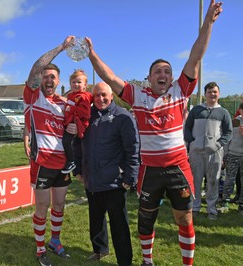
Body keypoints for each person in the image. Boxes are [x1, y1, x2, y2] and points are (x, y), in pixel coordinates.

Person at [85, 1, 223, 265]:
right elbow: (111, 76)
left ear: (172, 78)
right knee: (146, 220)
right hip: (149, 171)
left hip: (178, 169)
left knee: (184, 219)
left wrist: (208, 24)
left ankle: (187, 263)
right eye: (158, 71)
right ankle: (147, 261)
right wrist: (92, 54)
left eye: (167, 71)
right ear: (149, 78)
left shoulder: (180, 91)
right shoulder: (137, 95)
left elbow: (195, 55)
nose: (164, 74)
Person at [73, 82, 139, 265]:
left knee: (119, 224)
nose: (100, 99)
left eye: (104, 95)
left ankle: (124, 260)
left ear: (111, 96)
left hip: (114, 181)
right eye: (96, 96)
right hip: (92, 179)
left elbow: (132, 149)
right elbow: (78, 144)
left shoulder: (123, 117)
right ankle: (99, 249)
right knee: (95, 218)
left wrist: (130, 177)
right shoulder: (87, 116)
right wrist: (78, 169)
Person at [23, 36, 75, 266]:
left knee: (60, 205)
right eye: (45, 76)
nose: (48, 79)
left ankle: (55, 241)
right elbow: (36, 67)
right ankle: (40, 249)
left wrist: (75, 126)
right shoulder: (33, 98)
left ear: (58, 80)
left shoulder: (65, 104)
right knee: (42, 206)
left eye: (52, 76)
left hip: (62, 164)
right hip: (42, 162)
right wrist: (61, 48)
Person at [184, 82, 232, 220]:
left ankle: (212, 209)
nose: (212, 94)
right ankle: (195, 206)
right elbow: (187, 128)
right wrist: (192, 143)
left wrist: (218, 145)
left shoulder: (223, 112)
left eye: (215, 92)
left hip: (214, 152)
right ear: (205, 94)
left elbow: (228, 132)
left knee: (213, 181)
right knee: (195, 181)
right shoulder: (196, 110)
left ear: (219, 94)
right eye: (210, 92)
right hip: (196, 152)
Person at [58, 69, 93, 174]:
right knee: (67, 142)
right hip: (70, 121)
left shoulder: (84, 96)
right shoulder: (71, 96)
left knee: (66, 141)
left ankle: (71, 161)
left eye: (79, 82)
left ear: (85, 85)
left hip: (78, 123)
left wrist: (71, 109)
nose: (76, 84)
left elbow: (85, 113)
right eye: (73, 82)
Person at [219, 103, 243, 213]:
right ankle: (225, 201)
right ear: (240, 110)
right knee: (229, 179)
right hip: (233, 154)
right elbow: (228, 138)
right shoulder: (235, 122)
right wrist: (225, 154)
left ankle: (241, 204)